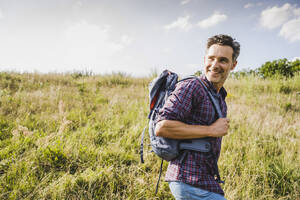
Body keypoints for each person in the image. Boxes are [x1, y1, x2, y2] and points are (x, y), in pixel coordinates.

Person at [155, 34, 240, 200]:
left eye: (223, 60)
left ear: (233, 65)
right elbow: (162, 127)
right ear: (204, 60)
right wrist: (211, 130)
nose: (215, 65)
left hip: (205, 180)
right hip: (187, 179)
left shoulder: (220, 99)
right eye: (211, 58)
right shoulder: (191, 87)